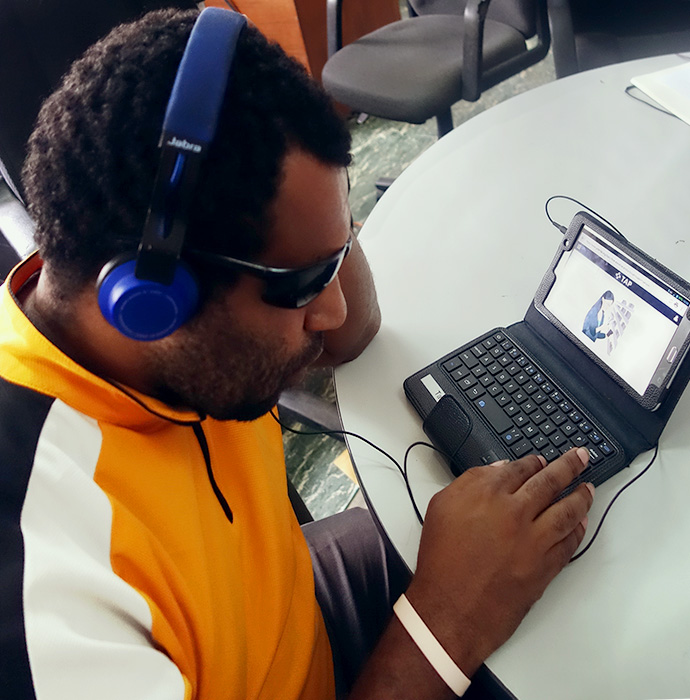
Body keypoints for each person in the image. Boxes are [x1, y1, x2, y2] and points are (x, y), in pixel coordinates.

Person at [0, 7, 595, 700]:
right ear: (149, 304)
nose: (334, 309)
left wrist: (317, 232)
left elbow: (355, 329)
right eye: (304, 286)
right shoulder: (48, 597)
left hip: (291, 615)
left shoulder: (160, 321)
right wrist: (445, 623)